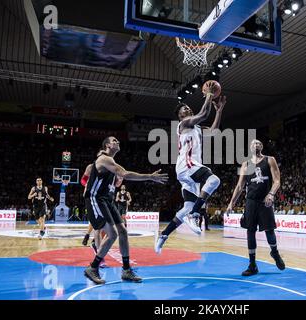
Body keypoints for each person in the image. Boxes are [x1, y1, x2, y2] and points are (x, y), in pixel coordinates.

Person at [84, 136, 168, 284]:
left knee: (122, 231)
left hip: (107, 200)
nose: (118, 141)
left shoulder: (111, 162)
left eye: (118, 140)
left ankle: (126, 270)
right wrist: (150, 177)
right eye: (114, 140)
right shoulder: (104, 159)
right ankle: (93, 267)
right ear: (107, 145)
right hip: (95, 199)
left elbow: (116, 180)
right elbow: (125, 174)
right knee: (112, 234)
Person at [155, 84, 225, 253]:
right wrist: (209, 95)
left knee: (186, 207)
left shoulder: (197, 128)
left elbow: (214, 130)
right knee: (214, 180)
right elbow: (203, 114)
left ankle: (163, 236)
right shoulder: (184, 124)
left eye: (187, 107)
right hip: (188, 166)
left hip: (188, 172)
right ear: (180, 117)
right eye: (184, 109)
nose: (187, 109)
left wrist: (220, 110)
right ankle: (194, 214)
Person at [226, 139, 285, 276]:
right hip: (251, 201)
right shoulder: (245, 164)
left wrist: (271, 194)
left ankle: (275, 253)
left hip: (265, 200)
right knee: (250, 232)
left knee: (269, 230)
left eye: (258, 143)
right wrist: (231, 203)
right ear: (250, 148)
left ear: (262, 146)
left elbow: (277, 181)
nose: (256, 145)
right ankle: (252, 265)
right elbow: (240, 186)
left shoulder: (270, 160)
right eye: (254, 143)